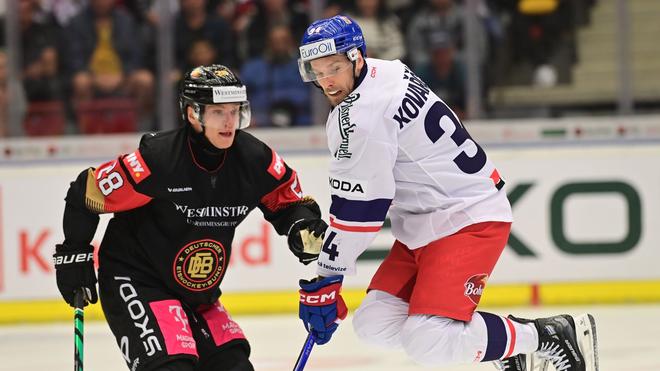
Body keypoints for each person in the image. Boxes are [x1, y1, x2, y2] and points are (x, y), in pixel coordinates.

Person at [295, 15, 599, 371]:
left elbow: (362, 211)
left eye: (334, 67)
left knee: (428, 340)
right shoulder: (386, 71)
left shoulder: (362, 117)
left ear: (356, 58)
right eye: (317, 71)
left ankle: (548, 335)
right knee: (373, 323)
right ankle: (503, 345)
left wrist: (328, 276)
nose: (327, 81)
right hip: (426, 222)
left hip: (466, 218)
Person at [52, 64, 327, 371]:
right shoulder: (159, 160)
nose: (229, 122)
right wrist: (74, 252)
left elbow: (287, 201)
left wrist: (301, 226)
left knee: (233, 366)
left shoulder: (253, 159)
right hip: (137, 279)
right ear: (193, 114)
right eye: (217, 112)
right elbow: (85, 192)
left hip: (197, 294)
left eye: (235, 111)